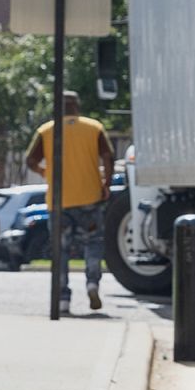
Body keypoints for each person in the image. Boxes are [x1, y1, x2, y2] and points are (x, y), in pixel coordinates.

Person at [25, 92, 114, 313]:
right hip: (90, 198)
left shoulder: (46, 130)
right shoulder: (94, 128)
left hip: (59, 201)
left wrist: (44, 172)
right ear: (78, 106)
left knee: (60, 249)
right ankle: (92, 283)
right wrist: (107, 184)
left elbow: (30, 160)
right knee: (93, 242)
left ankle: (63, 297)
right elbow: (108, 157)